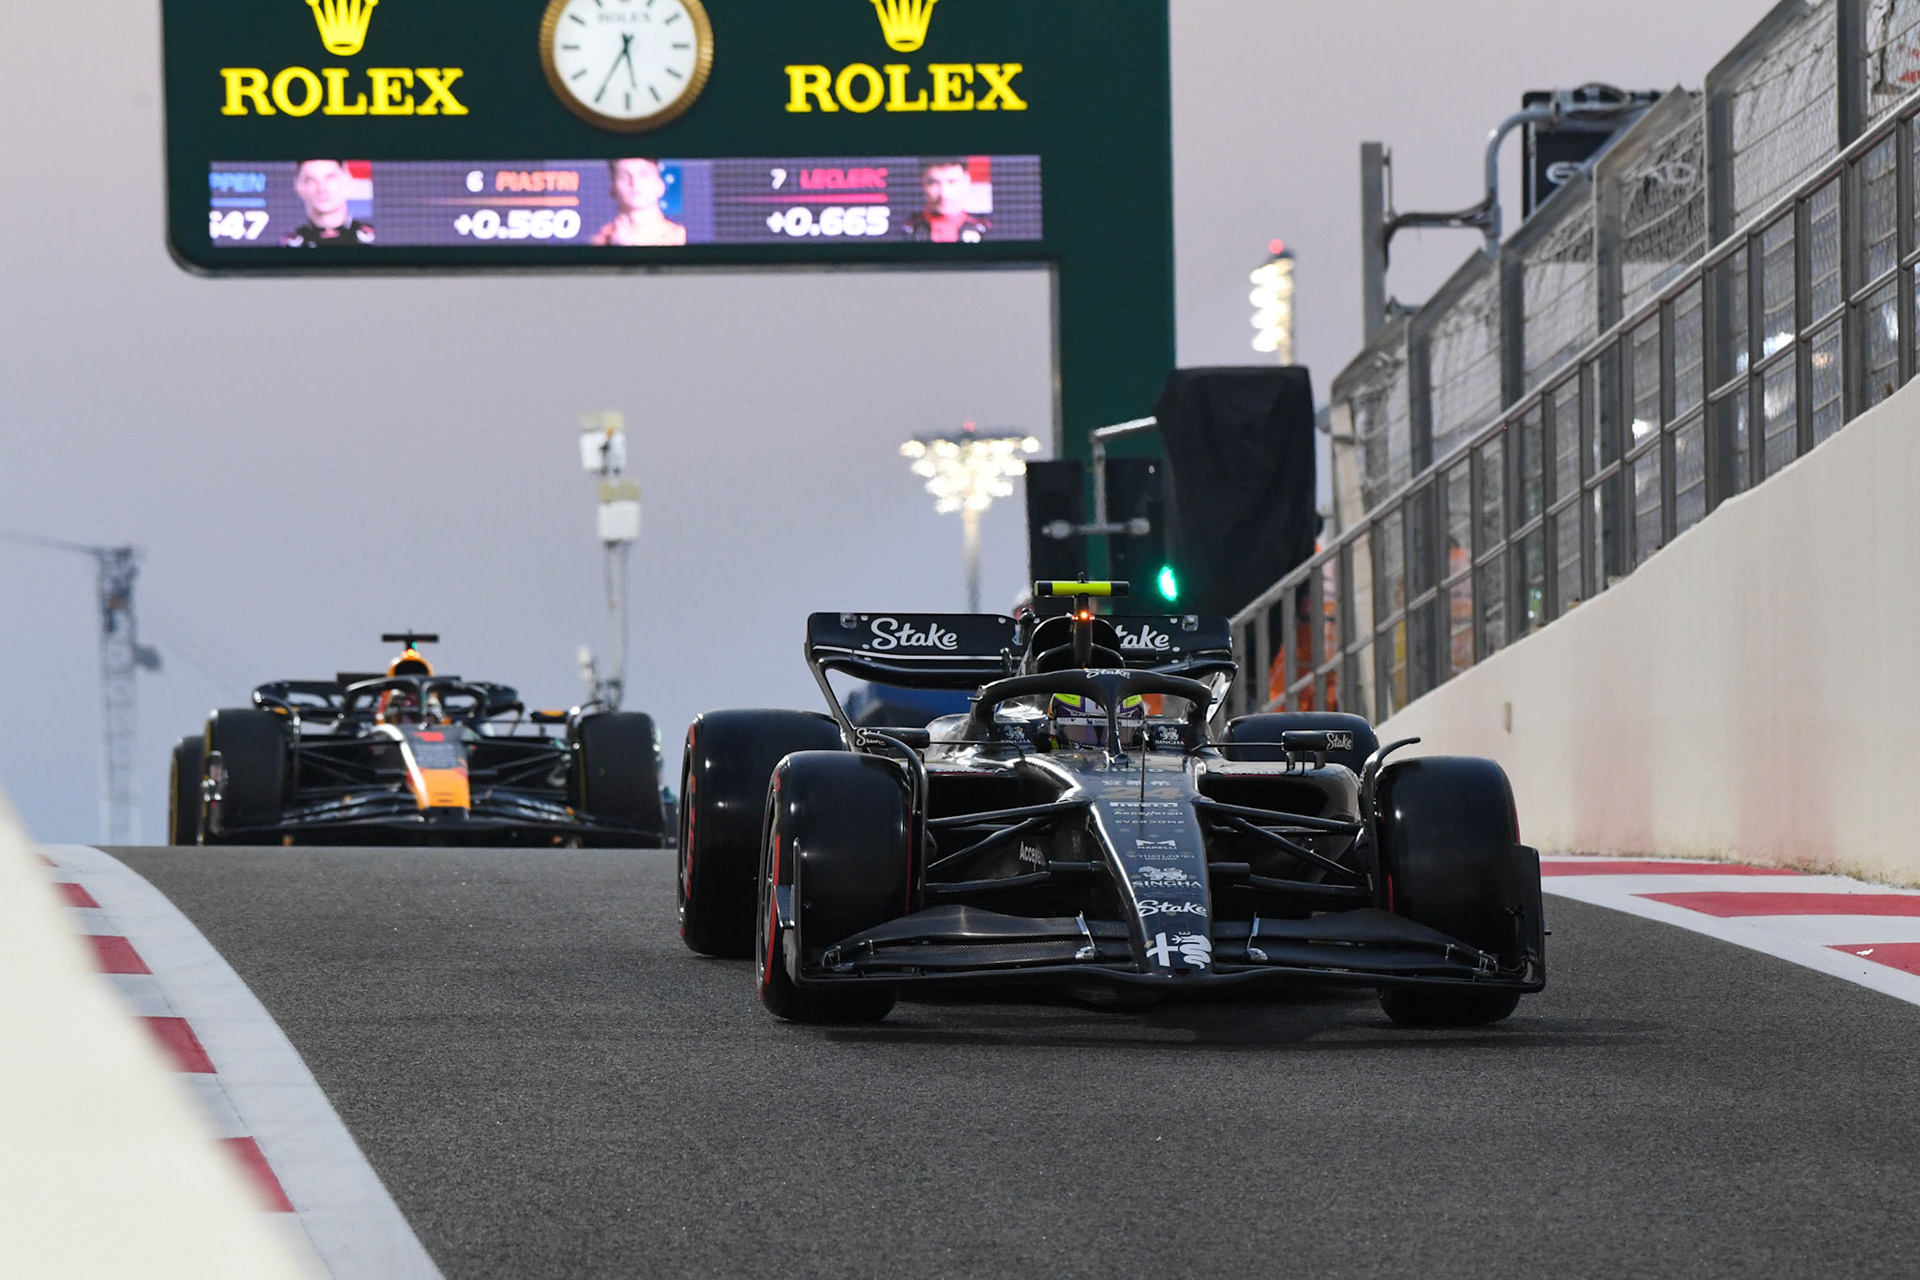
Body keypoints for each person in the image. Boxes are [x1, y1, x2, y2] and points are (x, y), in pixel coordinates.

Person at [592, 158, 687, 246]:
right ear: (612, 189)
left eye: (644, 174)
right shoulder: (601, 241)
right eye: (624, 176)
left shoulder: (680, 238)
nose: (635, 182)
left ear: (660, 186)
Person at [280, 160, 374, 247]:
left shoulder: (372, 239)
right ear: (298, 187)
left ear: (347, 181)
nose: (321, 188)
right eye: (310, 180)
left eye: (330, 178)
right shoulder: (290, 244)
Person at [906, 157, 991, 244]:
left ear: (966, 181)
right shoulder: (905, 229)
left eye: (952, 182)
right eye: (934, 183)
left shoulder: (987, 230)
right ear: (922, 183)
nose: (943, 194)